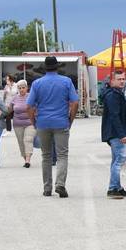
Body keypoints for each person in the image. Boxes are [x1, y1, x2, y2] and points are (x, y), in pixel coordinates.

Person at [27, 56, 79, 198]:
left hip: (43, 123)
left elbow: (29, 106)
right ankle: (60, 184)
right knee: (62, 155)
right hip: (61, 122)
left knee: (46, 156)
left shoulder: (37, 83)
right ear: (57, 67)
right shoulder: (66, 81)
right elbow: (75, 103)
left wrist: (34, 122)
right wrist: (70, 120)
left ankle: (47, 188)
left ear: (45, 68)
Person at [101, 71, 126, 199]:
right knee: (119, 160)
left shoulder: (116, 94)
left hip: (115, 133)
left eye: (123, 79)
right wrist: (122, 134)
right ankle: (113, 188)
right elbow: (114, 116)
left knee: (116, 160)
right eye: (119, 79)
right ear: (112, 81)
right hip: (117, 134)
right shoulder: (113, 96)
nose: (122, 81)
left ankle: (117, 187)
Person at [10, 79, 36, 168]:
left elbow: (37, 108)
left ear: (27, 88)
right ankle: (26, 160)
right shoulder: (14, 98)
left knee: (28, 140)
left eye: (23, 87)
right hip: (17, 124)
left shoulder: (31, 96)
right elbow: (9, 109)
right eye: (19, 88)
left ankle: (28, 160)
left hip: (30, 123)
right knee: (21, 142)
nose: (21, 89)